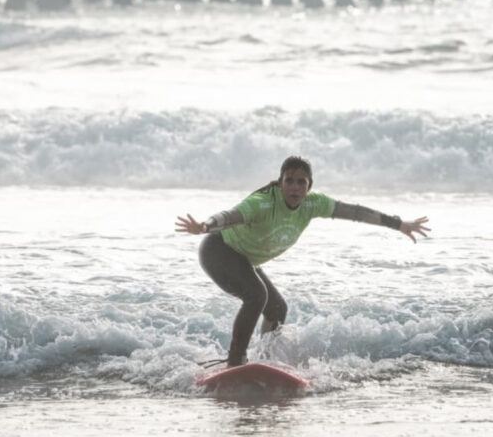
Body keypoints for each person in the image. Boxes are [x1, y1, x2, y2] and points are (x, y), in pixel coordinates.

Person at [175, 155, 430, 367]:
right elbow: (230, 215)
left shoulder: (313, 204)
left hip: (244, 258)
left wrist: (398, 224)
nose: (295, 187)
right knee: (256, 295)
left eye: (301, 182)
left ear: (309, 186)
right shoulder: (263, 203)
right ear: (280, 182)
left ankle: (265, 360)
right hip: (218, 250)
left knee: (277, 309)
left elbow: (354, 212)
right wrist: (205, 225)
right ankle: (236, 361)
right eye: (289, 181)